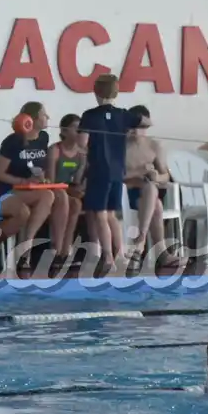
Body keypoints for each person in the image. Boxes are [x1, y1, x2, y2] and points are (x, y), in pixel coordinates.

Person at [0, 101, 69, 272]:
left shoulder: (44, 138)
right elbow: (0, 174)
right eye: (44, 114)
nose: (48, 117)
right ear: (31, 119)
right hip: (11, 192)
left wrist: (41, 178)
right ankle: (26, 246)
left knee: (62, 196)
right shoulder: (12, 142)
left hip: (33, 188)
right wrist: (23, 182)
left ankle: (58, 250)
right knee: (48, 196)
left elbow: (37, 166)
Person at [78, 73, 135, 272]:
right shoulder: (123, 115)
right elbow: (142, 122)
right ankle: (121, 254)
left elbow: (82, 142)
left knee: (100, 215)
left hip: (99, 170)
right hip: (118, 171)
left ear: (96, 91)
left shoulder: (89, 116)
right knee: (112, 215)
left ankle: (108, 256)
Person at [122, 104, 181, 272]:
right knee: (156, 203)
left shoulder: (154, 146)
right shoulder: (120, 145)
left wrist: (156, 176)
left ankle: (140, 243)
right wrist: (136, 174)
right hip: (127, 194)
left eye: (139, 127)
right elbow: (115, 176)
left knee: (152, 192)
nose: (135, 131)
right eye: (132, 126)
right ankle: (160, 253)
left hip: (146, 194)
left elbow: (166, 177)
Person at [49, 112, 86, 249]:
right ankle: (56, 246)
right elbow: (50, 181)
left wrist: (79, 189)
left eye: (81, 128)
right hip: (54, 190)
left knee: (76, 203)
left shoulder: (82, 153)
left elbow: (77, 181)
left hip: (69, 191)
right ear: (64, 131)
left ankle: (66, 247)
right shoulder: (55, 150)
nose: (79, 131)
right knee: (63, 197)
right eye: (76, 128)